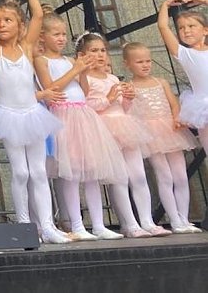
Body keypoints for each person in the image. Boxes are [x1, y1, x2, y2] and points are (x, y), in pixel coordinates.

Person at [0, 0, 70, 244]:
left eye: (7, 20)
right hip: (9, 116)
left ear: (19, 25)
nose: (1, 24)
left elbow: (38, 14)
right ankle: (25, 227)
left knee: (38, 171)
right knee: (20, 171)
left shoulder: (27, 48)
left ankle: (47, 226)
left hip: (32, 114)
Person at [35, 14, 144, 240]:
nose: (61, 38)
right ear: (42, 36)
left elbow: (83, 91)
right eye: (56, 34)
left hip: (83, 114)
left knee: (92, 173)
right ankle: (77, 225)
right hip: (63, 115)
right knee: (72, 173)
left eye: (63, 34)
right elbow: (51, 89)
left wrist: (82, 72)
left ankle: (98, 225)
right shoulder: (42, 60)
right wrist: (76, 70)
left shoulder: (68, 60)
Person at [80, 33, 158, 238]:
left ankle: (147, 221)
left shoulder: (112, 77)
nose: (100, 55)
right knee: (119, 178)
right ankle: (129, 224)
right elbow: (86, 106)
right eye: (94, 51)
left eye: (102, 50)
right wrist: (108, 98)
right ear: (82, 54)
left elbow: (123, 106)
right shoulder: (85, 79)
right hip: (104, 129)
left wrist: (128, 98)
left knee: (138, 175)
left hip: (125, 126)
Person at [124, 41, 198, 234]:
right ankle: (174, 220)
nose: (145, 65)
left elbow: (174, 104)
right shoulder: (130, 86)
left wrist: (177, 118)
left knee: (180, 176)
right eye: (139, 62)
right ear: (128, 64)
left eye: (148, 61)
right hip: (150, 134)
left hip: (169, 130)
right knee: (164, 175)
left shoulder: (161, 82)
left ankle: (184, 218)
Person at [157, 0, 208, 152]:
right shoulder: (185, 54)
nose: (186, 30)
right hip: (204, 108)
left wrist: (204, 1)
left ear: (205, 30)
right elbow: (163, 27)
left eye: (191, 26)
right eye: (181, 28)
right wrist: (165, 5)